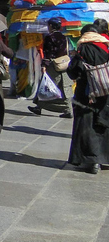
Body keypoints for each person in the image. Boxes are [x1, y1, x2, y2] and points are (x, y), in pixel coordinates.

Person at [66, 24, 109, 174]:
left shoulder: (82, 49)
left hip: (86, 95)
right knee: (103, 124)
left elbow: (73, 71)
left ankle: (91, 161)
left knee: (86, 126)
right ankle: (105, 158)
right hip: (106, 94)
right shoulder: (106, 46)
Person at [29, 18, 71, 118]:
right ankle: (67, 109)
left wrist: (44, 65)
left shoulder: (50, 37)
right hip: (63, 64)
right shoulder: (63, 37)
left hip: (53, 65)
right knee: (63, 87)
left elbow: (49, 53)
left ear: (51, 26)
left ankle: (41, 106)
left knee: (46, 85)